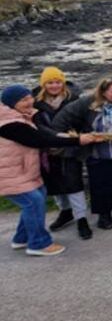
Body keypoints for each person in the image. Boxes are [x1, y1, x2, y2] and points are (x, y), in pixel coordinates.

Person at [0, 85, 96, 256]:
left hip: (23, 172)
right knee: (33, 202)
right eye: (23, 100)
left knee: (38, 197)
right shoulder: (8, 124)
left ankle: (21, 238)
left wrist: (68, 137)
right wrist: (77, 140)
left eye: (29, 97)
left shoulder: (22, 116)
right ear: (11, 103)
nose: (30, 101)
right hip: (9, 174)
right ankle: (38, 244)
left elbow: (45, 133)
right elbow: (40, 139)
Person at [53, 77, 112, 230]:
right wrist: (67, 137)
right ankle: (104, 215)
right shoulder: (87, 103)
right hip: (98, 153)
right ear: (103, 92)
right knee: (101, 185)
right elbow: (63, 117)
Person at [32, 67, 93, 240]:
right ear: (44, 84)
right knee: (55, 184)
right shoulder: (35, 102)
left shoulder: (74, 100)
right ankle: (65, 211)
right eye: (50, 82)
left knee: (74, 183)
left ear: (63, 82)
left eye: (58, 82)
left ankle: (81, 218)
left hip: (70, 147)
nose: (54, 85)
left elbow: (82, 122)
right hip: (47, 149)